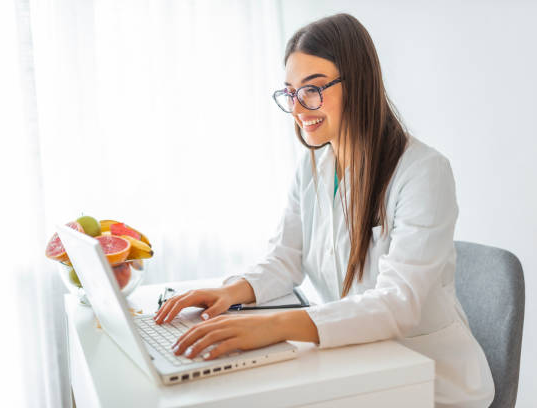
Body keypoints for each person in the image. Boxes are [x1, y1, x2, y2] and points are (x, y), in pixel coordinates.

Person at [154, 13, 494, 407]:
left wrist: (271, 326)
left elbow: (397, 303)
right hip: (358, 367)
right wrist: (230, 292)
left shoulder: (423, 172)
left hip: (431, 382)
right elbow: (286, 257)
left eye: (312, 90)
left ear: (358, 82)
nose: (299, 108)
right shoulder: (314, 166)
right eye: (290, 93)